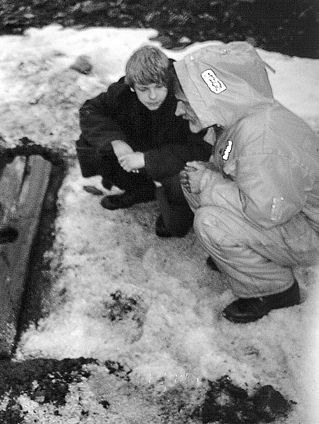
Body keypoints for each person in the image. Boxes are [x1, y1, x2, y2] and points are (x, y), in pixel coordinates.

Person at [175, 41, 319, 323]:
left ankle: (275, 290)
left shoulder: (263, 140)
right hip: (292, 217)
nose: (179, 111)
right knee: (194, 181)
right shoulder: (244, 120)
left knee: (210, 222)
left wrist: (209, 182)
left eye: (185, 100)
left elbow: (267, 213)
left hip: (310, 230)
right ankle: (246, 262)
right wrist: (206, 176)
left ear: (212, 94)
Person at [77, 45, 211, 237]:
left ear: (169, 82)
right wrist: (117, 142)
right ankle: (140, 190)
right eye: (143, 89)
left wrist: (148, 160)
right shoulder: (122, 92)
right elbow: (91, 110)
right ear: (132, 87)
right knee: (91, 142)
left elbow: (201, 149)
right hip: (142, 145)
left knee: (178, 208)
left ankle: (177, 211)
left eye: (159, 87)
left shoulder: (187, 97)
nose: (153, 96)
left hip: (173, 158)